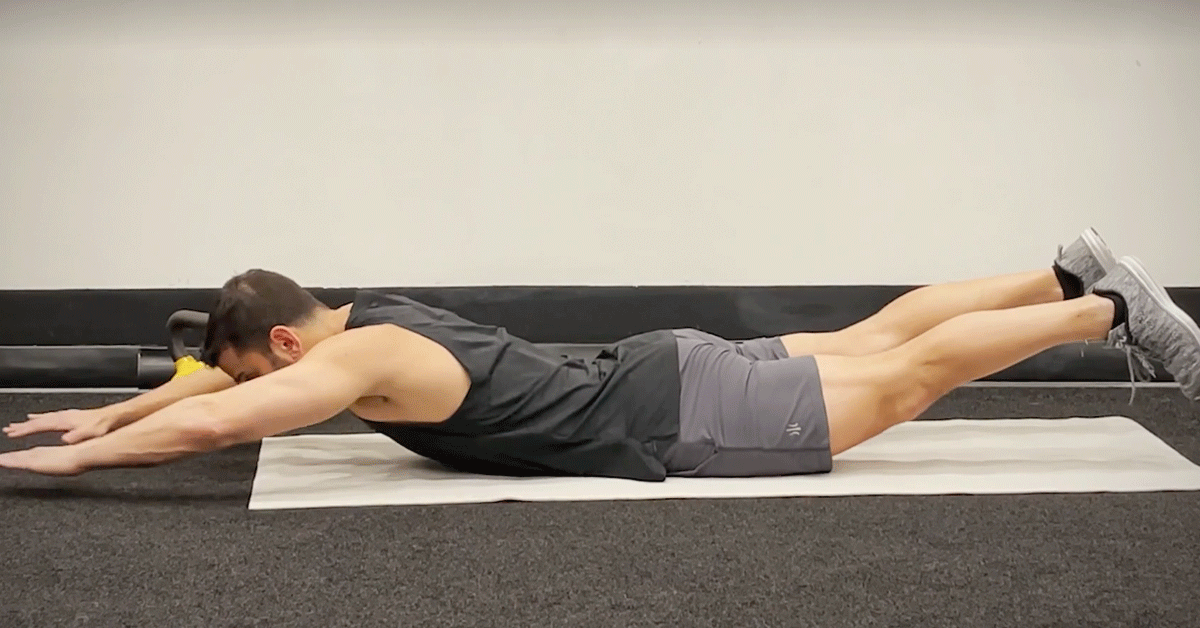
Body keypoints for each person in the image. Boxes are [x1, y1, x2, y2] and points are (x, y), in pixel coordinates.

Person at [2, 229, 1198, 479]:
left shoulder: (348, 365)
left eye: (266, 370)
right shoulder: (360, 314)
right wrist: (108, 412)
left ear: (284, 341)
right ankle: (1063, 271)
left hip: (671, 411)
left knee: (906, 375)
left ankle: (1107, 314)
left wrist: (74, 462)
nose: (276, 395)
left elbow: (220, 417)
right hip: (661, 364)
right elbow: (215, 386)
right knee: (878, 336)